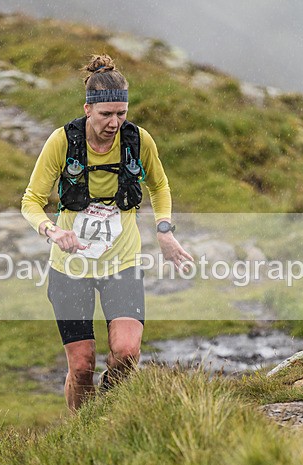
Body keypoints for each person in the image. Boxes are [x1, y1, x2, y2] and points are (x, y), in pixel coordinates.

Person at [21, 54, 193, 411]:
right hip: (71, 267)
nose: (114, 123)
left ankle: (108, 414)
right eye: (106, 115)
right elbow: (31, 201)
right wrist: (52, 231)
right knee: (82, 366)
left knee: (127, 353)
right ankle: (82, 429)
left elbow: (159, 187)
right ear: (88, 109)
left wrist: (164, 230)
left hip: (122, 262)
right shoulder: (62, 141)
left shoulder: (138, 140)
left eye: (121, 114)